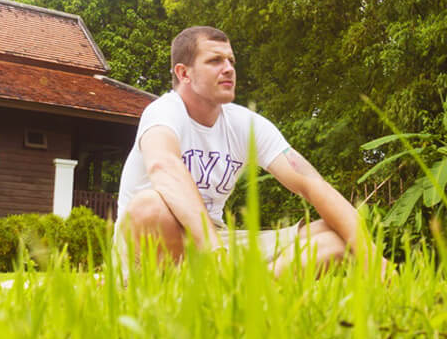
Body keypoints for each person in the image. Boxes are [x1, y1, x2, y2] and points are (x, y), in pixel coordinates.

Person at [116, 25, 358, 276]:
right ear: (184, 73)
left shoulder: (243, 123)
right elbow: (163, 166)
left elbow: (310, 182)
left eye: (231, 60)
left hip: (217, 240)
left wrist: (374, 258)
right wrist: (216, 254)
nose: (229, 68)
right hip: (158, 245)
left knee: (335, 234)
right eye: (215, 60)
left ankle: (253, 288)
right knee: (150, 206)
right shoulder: (163, 112)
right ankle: (183, 292)